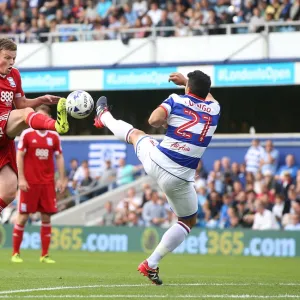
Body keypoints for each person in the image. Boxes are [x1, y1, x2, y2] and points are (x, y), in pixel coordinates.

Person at [94, 70, 220, 285]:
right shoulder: (215, 109)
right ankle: (150, 263)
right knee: (188, 221)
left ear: (188, 87)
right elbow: (209, 98)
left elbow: (154, 119)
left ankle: (103, 115)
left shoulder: (176, 99)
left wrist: (165, 120)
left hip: (159, 160)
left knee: (136, 135)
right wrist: (188, 84)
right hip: (180, 177)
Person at [0, 38, 69, 215]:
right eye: (7, 57)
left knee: (8, 192)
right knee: (25, 115)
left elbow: (21, 103)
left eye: (13, 58)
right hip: (3, 125)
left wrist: (40, 100)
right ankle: (56, 125)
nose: (11, 63)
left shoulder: (14, 75)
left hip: (5, 139)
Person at [11, 105, 66, 263]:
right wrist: (21, 178)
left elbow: (59, 157)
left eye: (43, 117)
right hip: (29, 183)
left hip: (47, 184)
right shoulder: (27, 134)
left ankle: (44, 255)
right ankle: (15, 253)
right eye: (38, 117)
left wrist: (62, 178)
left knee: (46, 217)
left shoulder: (54, 136)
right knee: (22, 217)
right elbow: (19, 156)